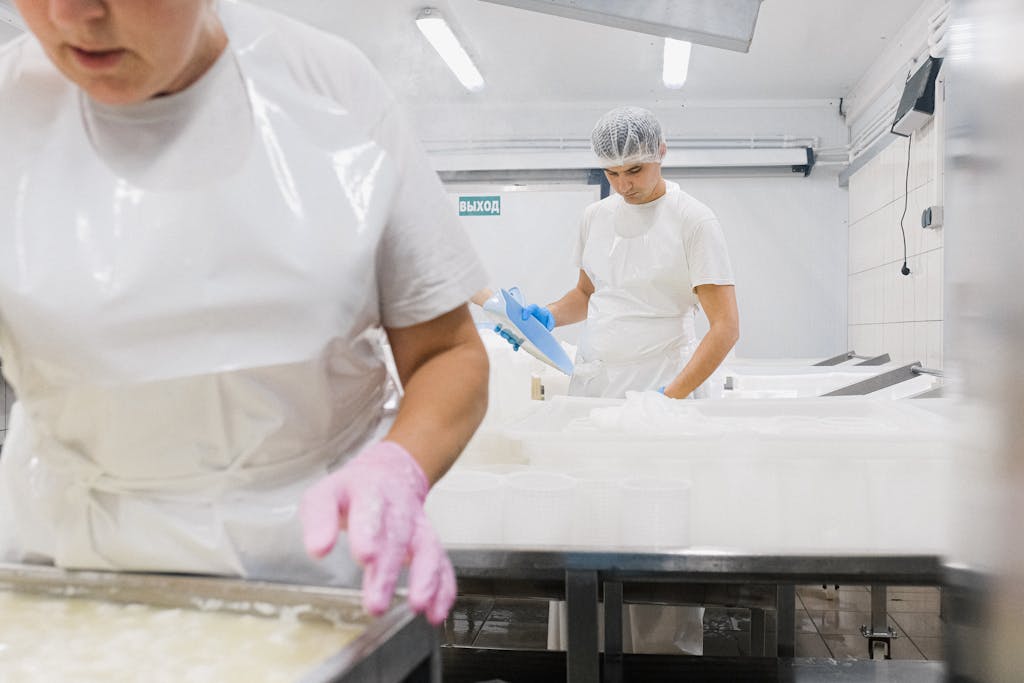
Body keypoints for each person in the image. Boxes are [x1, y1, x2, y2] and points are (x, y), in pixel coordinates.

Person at [0, 0, 490, 626]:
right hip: (66, 578)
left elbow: (447, 353)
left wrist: (400, 466)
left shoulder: (329, 87)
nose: (71, 15)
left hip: (312, 578)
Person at [522, 106, 739, 400]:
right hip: (596, 380)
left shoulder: (693, 221)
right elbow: (586, 294)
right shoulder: (594, 217)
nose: (623, 185)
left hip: (664, 381)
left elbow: (725, 327)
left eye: (635, 170)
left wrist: (671, 395)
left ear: (660, 152)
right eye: (612, 173)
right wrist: (549, 315)